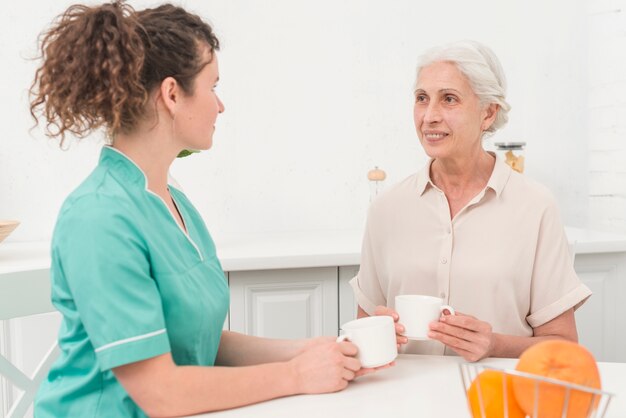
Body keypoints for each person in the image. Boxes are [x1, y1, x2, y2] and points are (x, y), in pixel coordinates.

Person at [30, 2, 384, 417]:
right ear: (172, 93)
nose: (220, 106)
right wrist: (297, 374)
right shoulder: (98, 219)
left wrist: (310, 351)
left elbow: (199, 340)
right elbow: (161, 393)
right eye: (213, 85)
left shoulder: (171, 202)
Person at [349, 40, 591, 362]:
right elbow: (362, 335)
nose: (430, 116)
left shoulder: (535, 207)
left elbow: (564, 348)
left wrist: (494, 345)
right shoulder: (386, 211)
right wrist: (380, 333)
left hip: (498, 401)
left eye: (449, 99)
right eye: (422, 99)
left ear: (488, 113)